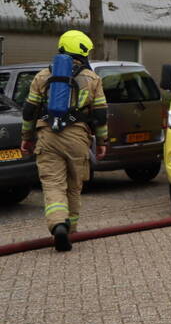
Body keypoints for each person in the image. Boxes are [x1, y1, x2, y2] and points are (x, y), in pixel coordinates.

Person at [19, 30, 108, 252]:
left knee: (52, 183)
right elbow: (100, 115)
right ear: (83, 51)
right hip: (77, 136)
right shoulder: (92, 79)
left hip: (47, 135)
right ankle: (71, 230)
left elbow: (29, 112)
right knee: (74, 185)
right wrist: (103, 142)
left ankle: (58, 223)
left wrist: (26, 139)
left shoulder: (41, 76)